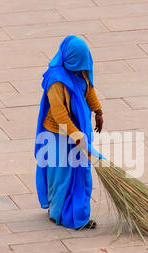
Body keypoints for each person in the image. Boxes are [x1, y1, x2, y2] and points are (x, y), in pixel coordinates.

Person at [34, 35, 104, 230]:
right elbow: (59, 114)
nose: (82, 68)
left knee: (81, 173)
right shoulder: (56, 81)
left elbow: (88, 88)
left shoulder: (79, 70)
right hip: (57, 135)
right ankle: (57, 213)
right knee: (61, 175)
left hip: (75, 131)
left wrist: (98, 110)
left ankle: (79, 214)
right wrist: (76, 135)